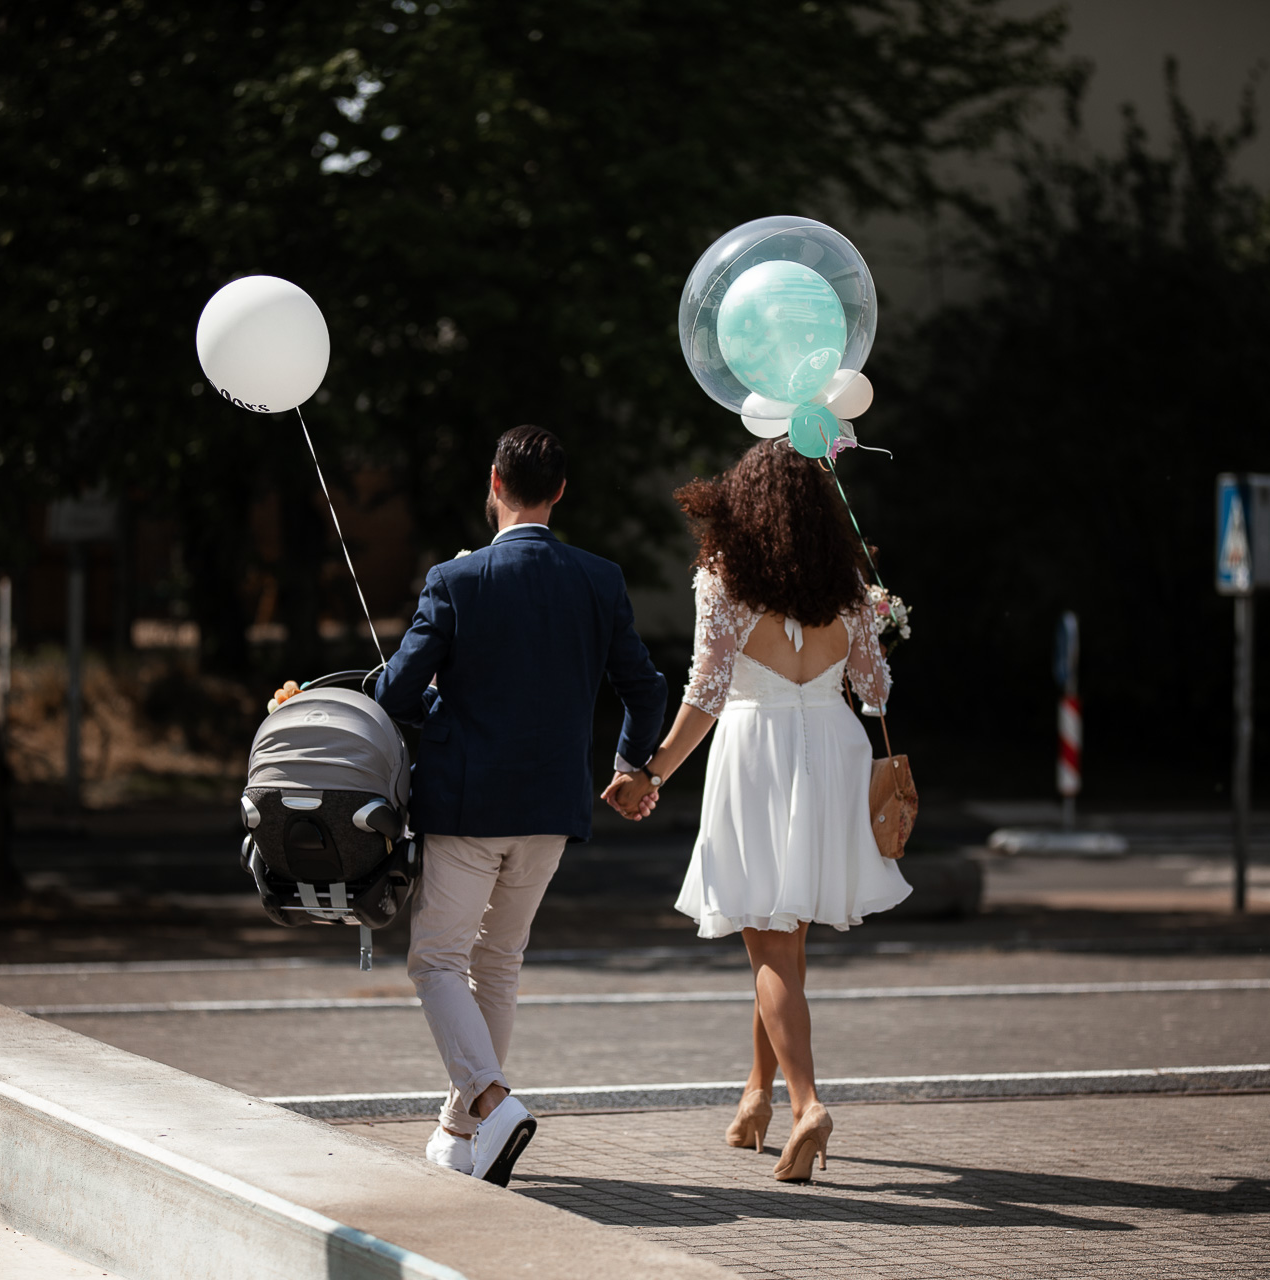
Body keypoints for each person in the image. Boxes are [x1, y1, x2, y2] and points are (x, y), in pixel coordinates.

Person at [603, 437, 911, 1182]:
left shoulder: (725, 579)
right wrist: (876, 619)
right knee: (784, 943)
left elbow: (705, 696)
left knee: (769, 940)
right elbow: (875, 692)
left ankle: (807, 1105)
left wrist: (650, 774)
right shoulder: (848, 584)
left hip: (757, 751)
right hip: (831, 751)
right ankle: (756, 1100)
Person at [375, 425, 668, 1185]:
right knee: (498, 964)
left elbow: (398, 693)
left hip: (469, 807)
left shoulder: (456, 579)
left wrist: (426, 705)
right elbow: (646, 686)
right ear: (560, 492)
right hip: (554, 809)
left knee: (436, 960)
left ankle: (494, 1100)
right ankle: (460, 1131)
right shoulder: (599, 578)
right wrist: (629, 765)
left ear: (494, 484)